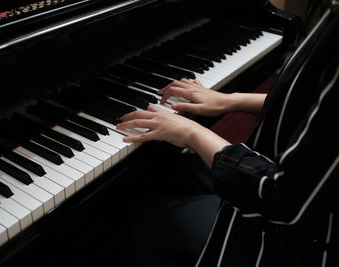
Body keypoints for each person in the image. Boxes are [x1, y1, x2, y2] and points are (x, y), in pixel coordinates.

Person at [116, 5, 339, 267]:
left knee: (143, 216)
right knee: (164, 173)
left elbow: (285, 201)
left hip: (291, 241)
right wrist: (228, 100)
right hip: (280, 167)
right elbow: (317, 102)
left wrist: (192, 132)